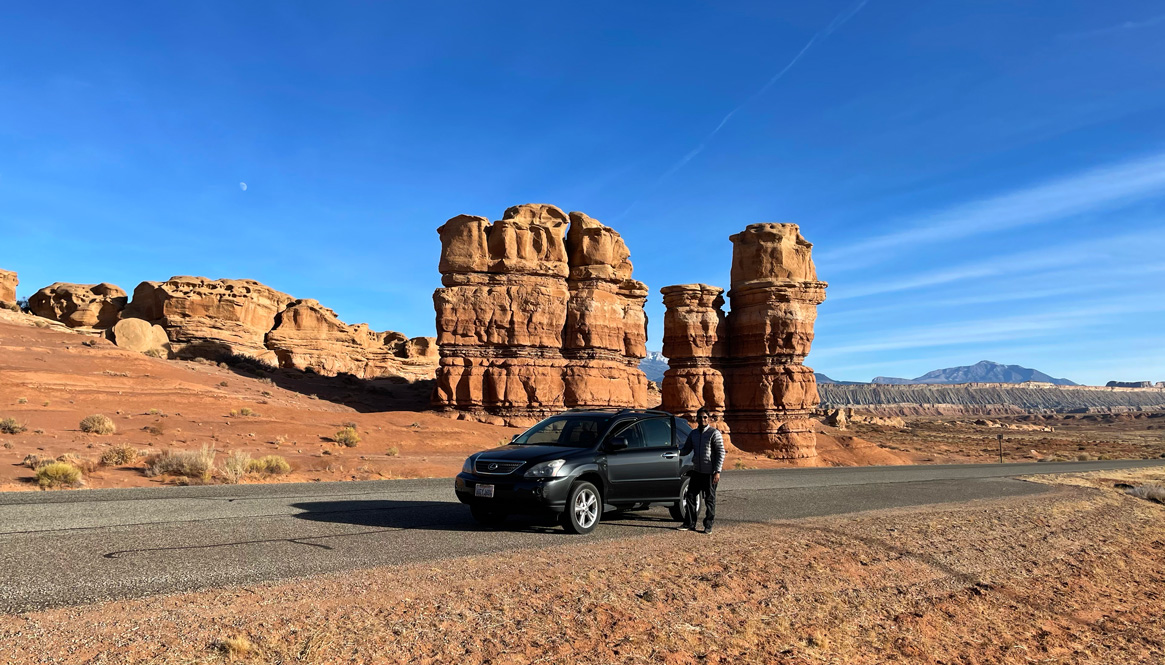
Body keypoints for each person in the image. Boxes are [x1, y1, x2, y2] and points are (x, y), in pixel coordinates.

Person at [677, 407, 724, 533]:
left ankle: (708, 526)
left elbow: (721, 453)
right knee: (691, 497)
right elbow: (686, 449)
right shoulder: (693, 434)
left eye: (704, 417)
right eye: (700, 417)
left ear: (708, 418)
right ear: (696, 419)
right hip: (697, 471)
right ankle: (690, 523)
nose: (702, 419)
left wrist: (717, 471)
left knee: (709, 500)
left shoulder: (714, 433)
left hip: (710, 473)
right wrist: (675, 452)